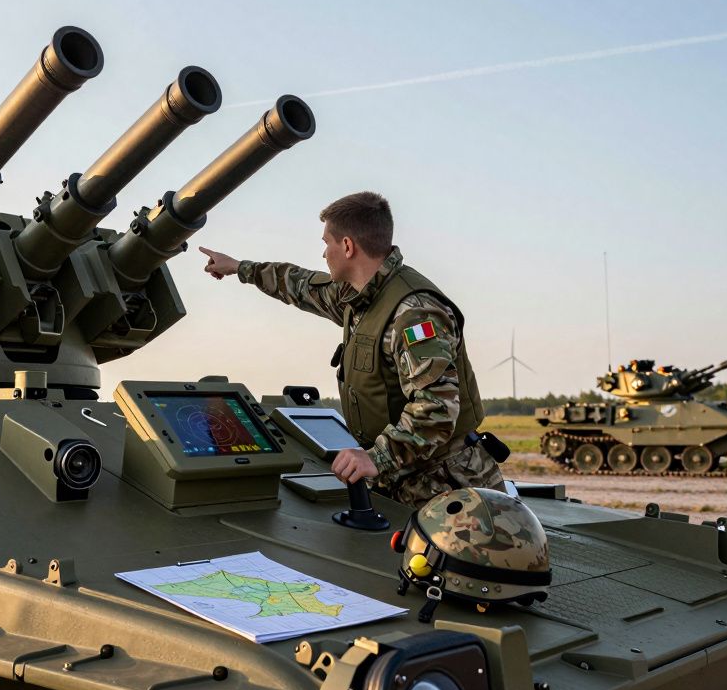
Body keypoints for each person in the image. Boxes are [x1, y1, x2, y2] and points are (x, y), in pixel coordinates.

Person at [199, 191, 503, 507]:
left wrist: (377, 458)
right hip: (405, 479)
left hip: (449, 487)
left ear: (347, 246)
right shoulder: (358, 297)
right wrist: (238, 267)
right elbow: (299, 284)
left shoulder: (413, 312)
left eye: (327, 243)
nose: (323, 253)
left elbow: (438, 408)